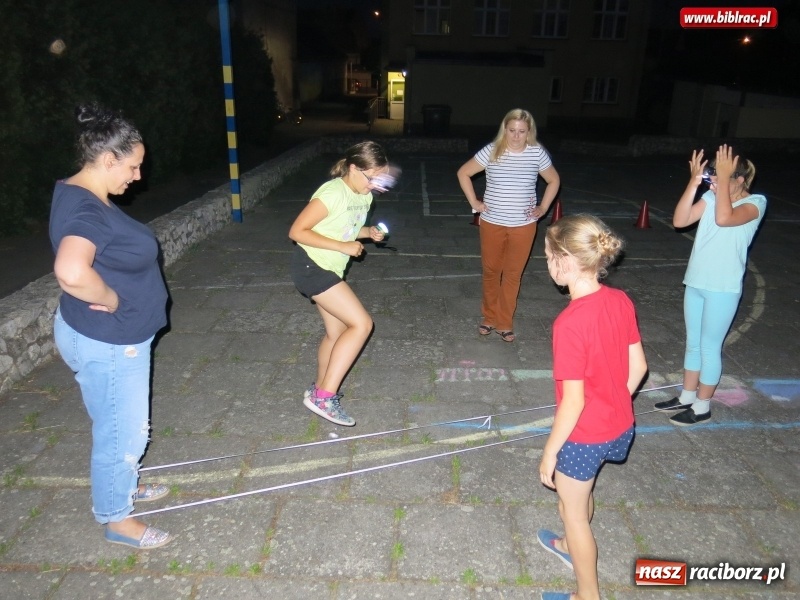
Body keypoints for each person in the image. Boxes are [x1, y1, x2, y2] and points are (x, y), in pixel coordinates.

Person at [50, 103, 172, 549]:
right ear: (108, 161)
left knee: (114, 421)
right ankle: (117, 520)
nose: (137, 176)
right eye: (133, 166)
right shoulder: (88, 211)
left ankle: (122, 486)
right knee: (123, 430)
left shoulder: (76, 192)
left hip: (97, 336)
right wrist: (112, 298)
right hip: (110, 342)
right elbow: (71, 271)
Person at [537, 215, 648, 600]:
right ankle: (568, 545)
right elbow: (639, 368)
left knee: (573, 510)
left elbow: (574, 401)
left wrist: (550, 451)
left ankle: (587, 594)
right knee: (582, 490)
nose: (547, 263)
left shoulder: (569, 323)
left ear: (565, 261)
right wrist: (614, 401)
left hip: (584, 435)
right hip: (620, 425)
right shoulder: (620, 300)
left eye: (548, 255)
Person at [655, 145, 766, 426]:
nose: (713, 183)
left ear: (739, 179)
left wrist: (723, 188)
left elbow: (724, 218)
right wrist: (694, 183)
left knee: (709, 347)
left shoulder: (756, 203)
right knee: (693, 344)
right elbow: (680, 221)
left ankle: (702, 407)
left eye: (720, 178)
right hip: (696, 281)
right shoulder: (710, 195)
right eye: (711, 178)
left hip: (722, 287)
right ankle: (686, 397)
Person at [288, 141, 390, 427]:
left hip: (328, 267)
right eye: (371, 178)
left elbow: (345, 228)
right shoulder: (333, 193)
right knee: (362, 324)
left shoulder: (364, 196)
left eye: (379, 180)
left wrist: (369, 232)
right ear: (354, 168)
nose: (374, 185)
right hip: (312, 265)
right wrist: (343, 247)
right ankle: (324, 396)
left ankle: (318, 388)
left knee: (336, 332)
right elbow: (297, 231)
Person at [457, 108, 560, 343]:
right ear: (505, 129)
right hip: (492, 223)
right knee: (491, 271)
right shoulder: (492, 151)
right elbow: (463, 172)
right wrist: (475, 202)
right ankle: (488, 317)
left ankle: (505, 323)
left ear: (529, 131)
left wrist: (543, 207)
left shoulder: (537, 153)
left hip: (523, 225)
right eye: (512, 130)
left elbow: (554, 180)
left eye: (521, 131)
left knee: (513, 274)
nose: (516, 136)